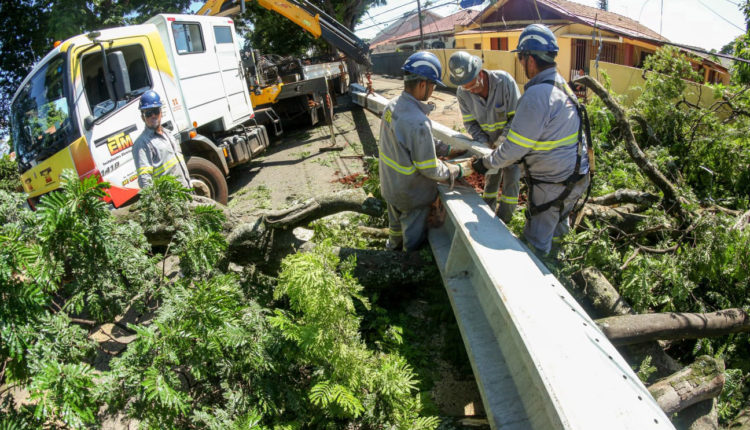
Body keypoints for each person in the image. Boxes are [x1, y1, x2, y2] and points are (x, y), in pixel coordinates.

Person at [471, 24, 591, 255]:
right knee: (558, 228)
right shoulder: (561, 84)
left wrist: (485, 164)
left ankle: (543, 276)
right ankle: (561, 269)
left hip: (553, 184)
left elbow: (513, 148)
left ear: (530, 60)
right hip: (576, 177)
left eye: (521, 58)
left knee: (536, 243)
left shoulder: (536, 95)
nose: (521, 64)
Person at [379, 51, 472, 252]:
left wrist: (448, 149)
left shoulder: (392, 106)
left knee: (395, 229)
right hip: (410, 194)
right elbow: (430, 169)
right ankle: (406, 268)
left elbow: (413, 141)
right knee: (412, 242)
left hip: (390, 185)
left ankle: (391, 252)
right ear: (423, 84)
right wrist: (458, 170)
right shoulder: (418, 122)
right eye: (433, 85)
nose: (433, 89)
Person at [448, 50, 521, 223]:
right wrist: (484, 144)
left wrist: (501, 142)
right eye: (467, 88)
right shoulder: (463, 93)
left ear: (480, 73)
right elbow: (470, 124)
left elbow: (517, 118)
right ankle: (487, 216)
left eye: (473, 86)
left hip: (511, 143)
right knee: (491, 180)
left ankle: (505, 220)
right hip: (487, 146)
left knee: (511, 182)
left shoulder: (504, 82)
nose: (471, 91)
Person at [132, 90, 191, 190]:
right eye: (148, 113)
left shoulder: (168, 134)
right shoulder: (142, 143)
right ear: (143, 117)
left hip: (185, 190)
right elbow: (145, 179)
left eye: (155, 111)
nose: (153, 116)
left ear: (161, 112)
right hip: (171, 199)